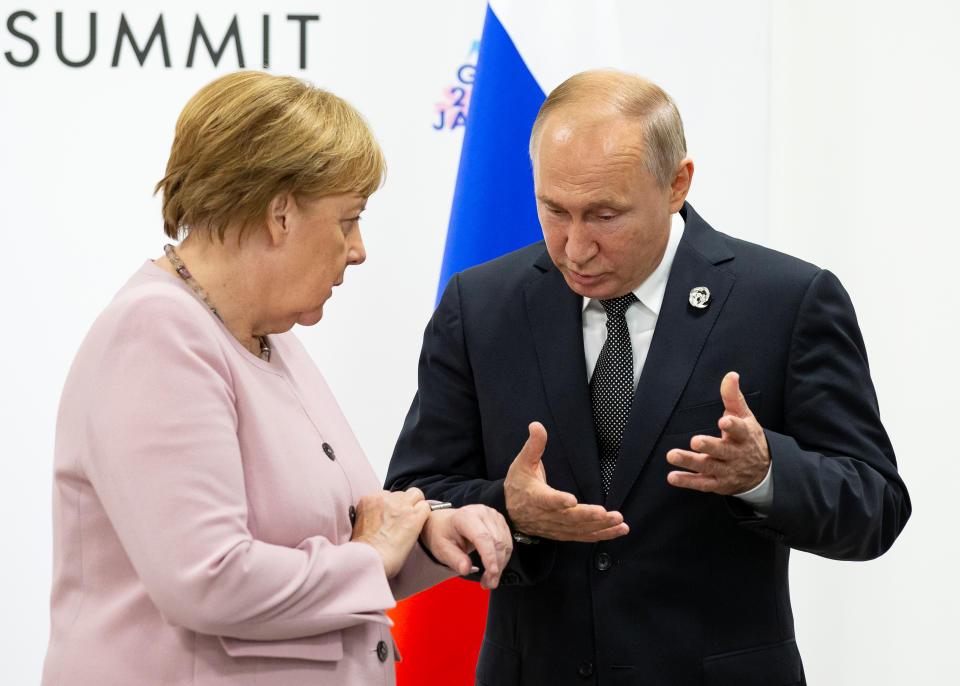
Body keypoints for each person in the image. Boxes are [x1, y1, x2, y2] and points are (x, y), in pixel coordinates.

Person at [386, 70, 910, 685]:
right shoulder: (481, 304)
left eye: (605, 216)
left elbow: (875, 506)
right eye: (554, 210)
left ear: (676, 184)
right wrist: (509, 509)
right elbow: (416, 493)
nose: (575, 249)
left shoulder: (787, 301)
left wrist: (766, 474)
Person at [41, 70, 512, 686]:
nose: (359, 248)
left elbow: (342, 537)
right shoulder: (156, 333)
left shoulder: (267, 335)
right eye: (348, 219)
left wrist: (431, 537)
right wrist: (373, 554)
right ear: (280, 214)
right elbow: (206, 581)